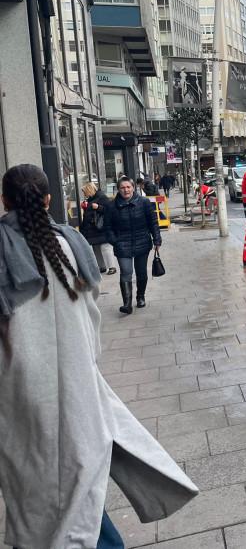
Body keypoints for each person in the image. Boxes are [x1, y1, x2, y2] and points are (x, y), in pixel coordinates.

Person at [0, 164, 197, 548]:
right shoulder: (71, 247)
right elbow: (91, 319)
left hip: (22, 393)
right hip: (78, 385)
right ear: (48, 200)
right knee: (80, 480)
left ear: (4, 200)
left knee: (36, 490)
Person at [103, 177, 162, 315]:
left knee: (141, 273)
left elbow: (153, 222)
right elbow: (107, 227)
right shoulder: (112, 207)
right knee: (126, 273)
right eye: (122, 187)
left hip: (142, 242)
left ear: (133, 188)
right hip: (122, 245)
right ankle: (127, 303)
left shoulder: (144, 202)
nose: (126, 190)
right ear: (118, 189)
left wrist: (157, 240)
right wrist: (114, 241)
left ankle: (140, 296)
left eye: (128, 187)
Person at [79, 182, 116, 275]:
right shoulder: (91, 199)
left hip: (101, 228)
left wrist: (98, 207)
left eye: (85, 192)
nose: (84, 194)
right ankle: (102, 266)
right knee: (96, 248)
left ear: (89, 191)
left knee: (105, 247)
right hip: (93, 229)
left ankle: (111, 266)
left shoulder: (101, 198)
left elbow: (111, 210)